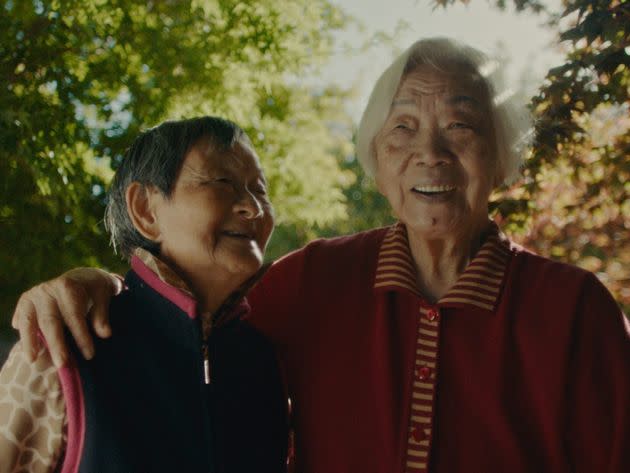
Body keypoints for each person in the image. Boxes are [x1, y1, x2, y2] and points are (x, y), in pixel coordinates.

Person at [10, 38, 630, 472]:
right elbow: (192, 310)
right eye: (403, 128)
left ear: (499, 156)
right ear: (378, 162)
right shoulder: (311, 281)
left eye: (462, 127)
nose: (431, 153)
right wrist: (100, 281)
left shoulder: (576, 309)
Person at [0, 116, 288, 472]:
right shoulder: (59, 345)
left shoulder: (263, 361)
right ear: (145, 209)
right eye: (223, 182)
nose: (253, 207)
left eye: (260, 190)